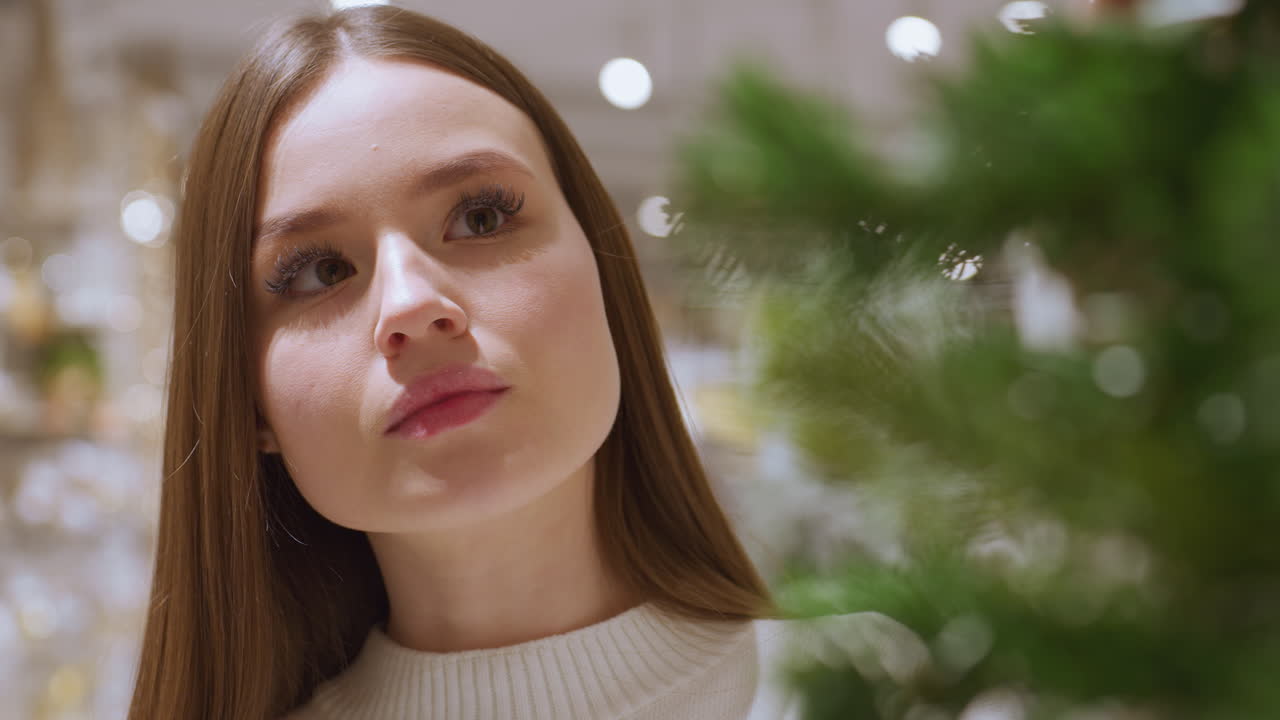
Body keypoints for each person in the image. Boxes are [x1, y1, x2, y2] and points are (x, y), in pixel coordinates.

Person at [126, 6, 896, 719]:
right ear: (251, 402)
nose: (409, 305)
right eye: (320, 272)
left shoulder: (906, 687)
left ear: (606, 276)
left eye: (481, 216)